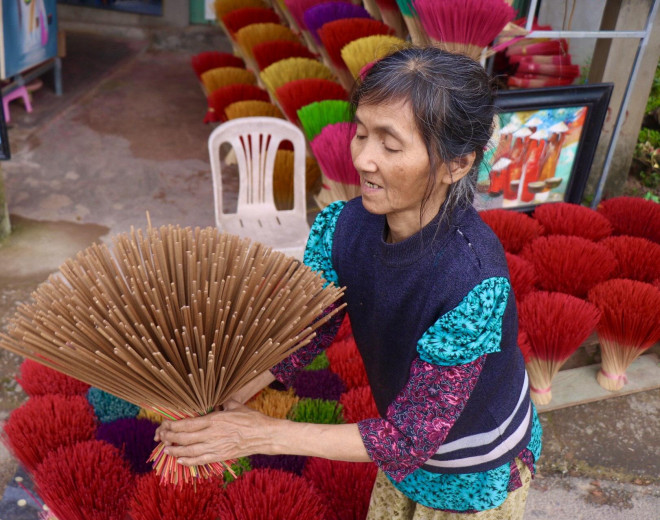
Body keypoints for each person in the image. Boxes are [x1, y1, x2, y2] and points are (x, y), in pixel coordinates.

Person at [156, 46, 542, 519]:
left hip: (473, 459)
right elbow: (309, 329)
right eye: (360, 133)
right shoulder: (340, 227)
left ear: (456, 165)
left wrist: (259, 433)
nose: (363, 159)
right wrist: (229, 393)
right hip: (401, 438)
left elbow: (409, 437)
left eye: (390, 145)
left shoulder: (473, 281)